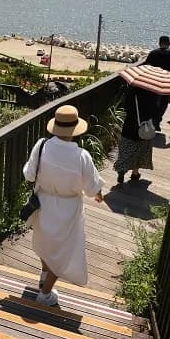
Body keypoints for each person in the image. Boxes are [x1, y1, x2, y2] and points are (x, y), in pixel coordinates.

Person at [22, 104, 105, 307]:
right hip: (68, 210)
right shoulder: (81, 156)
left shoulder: (42, 145)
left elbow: (29, 174)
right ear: (75, 129)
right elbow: (92, 186)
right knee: (62, 252)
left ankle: (44, 275)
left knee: (45, 244)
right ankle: (45, 294)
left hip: (43, 204)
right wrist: (99, 194)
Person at [114, 86, 160, 184]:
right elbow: (156, 110)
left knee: (126, 149)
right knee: (141, 149)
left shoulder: (131, 90)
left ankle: (122, 170)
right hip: (145, 127)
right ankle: (135, 173)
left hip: (129, 125)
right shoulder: (153, 92)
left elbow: (126, 107)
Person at [143, 35, 170, 130]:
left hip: (153, 81)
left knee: (152, 102)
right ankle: (157, 121)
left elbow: (147, 67)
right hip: (166, 82)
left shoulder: (153, 53)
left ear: (159, 43)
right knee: (164, 103)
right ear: (169, 43)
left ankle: (151, 120)